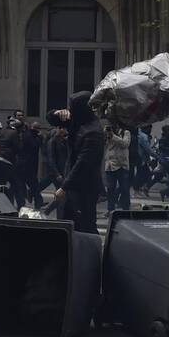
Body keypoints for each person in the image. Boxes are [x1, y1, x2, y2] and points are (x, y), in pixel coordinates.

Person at [48, 91, 105, 234]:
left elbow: (83, 164)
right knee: (67, 223)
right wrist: (56, 113)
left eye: (71, 107)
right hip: (73, 184)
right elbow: (51, 119)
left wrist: (64, 187)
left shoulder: (93, 132)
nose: (69, 110)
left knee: (84, 225)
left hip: (85, 187)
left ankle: (91, 254)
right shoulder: (78, 120)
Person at [104, 124, 132, 213]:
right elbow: (104, 145)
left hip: (122, 165)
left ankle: (126, 208)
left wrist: (113, 136)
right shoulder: (107, 132)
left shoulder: (126, 132)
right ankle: (110, 209)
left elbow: (125, 144)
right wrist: (107, 135)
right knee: (110, 188)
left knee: (124, 188)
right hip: (110, 165)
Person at [19, 120, 43, 207]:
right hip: (28, 165)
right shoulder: (31, 136)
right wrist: (40, 138)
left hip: (25, 164)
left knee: (28, 184)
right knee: (33, 184)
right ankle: (38, 201)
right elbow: (35, 146)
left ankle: (36, 201)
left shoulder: (27, 134)